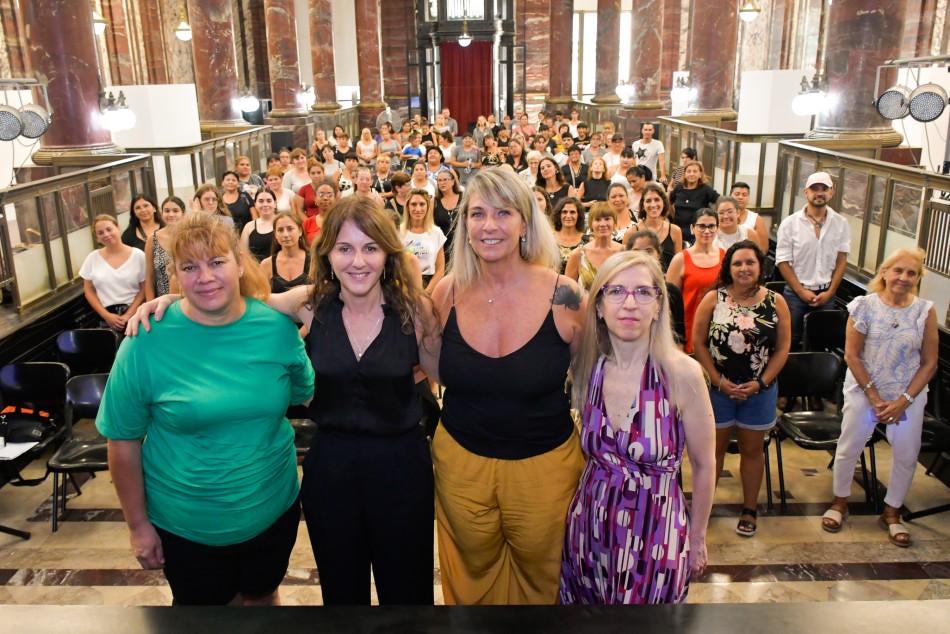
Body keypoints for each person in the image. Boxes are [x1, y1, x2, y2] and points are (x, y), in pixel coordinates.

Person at [101, 212, 314, 606]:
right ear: (176, 276)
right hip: (187, 525)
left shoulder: (276, 329)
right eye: (189, 267)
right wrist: (138, 525)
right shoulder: (145, 339)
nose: (205, 276)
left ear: (239, 262)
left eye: (216, 262)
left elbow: (305, 392)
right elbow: (122, 440)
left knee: (264, 596)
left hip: (272, 509)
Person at [430, 168, 586, 605]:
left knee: (545, 574)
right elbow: (428, 365)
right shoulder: (447, 293)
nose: (490, 225)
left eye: (503, 212)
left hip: (545, 467)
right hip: (461, 464)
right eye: (477, 213)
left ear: (524, 222)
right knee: (469, 572)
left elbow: (594, 379)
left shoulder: (566, 297)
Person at [559, 250, 715, 604]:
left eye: (643, 292)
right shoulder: (589, 370)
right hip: (589, 530)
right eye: (615, 292)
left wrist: (698, 538)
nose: (629, 303)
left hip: (656, 535)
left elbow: (705, 466)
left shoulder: (682, 374)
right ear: (598, 306)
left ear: (659, 305)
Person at [821, 248, 938, 547]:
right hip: (864, 389)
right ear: (884, 272)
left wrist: (904, 400)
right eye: (898, 270)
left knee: (907, 454)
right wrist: (874, 397)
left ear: (918, 278)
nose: (903, 277)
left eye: (911, 273)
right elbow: (852, 355)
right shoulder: (864, 306)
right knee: (849, 447)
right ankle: (839, 503)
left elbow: (929, 362)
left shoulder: (925, 310)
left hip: (907, 394)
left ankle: (892, 512)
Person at [693, 241, 791, 538]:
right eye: (737, 263)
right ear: (729, 268)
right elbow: (697, 343)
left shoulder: (775, 301)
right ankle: (703, 507)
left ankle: (749, 508)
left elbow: (784, 346)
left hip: (759, 392)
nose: (744, 268)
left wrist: (760, 383)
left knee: (751, 451)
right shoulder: (714, 298)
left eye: (750, 262)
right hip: (717, 390)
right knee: (713, 452)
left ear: (760, 266)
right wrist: (717, 380)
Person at [775, 171, 850, 349]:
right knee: (789, 341)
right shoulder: (790, 224)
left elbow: (841, 260)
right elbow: (783, 262)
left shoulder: (841, 223)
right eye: (814, 188)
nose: (819, 192)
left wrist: (831, 292)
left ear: (831, 193)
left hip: (826, 295)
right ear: (806, 192)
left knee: (821, 342)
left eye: (824, 188)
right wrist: (800, 291)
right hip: (795, 294)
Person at [666, 208, 724, 353]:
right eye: (701, 226)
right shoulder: (680, 259)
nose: (707, 231)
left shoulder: (726, 257)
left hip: (719, 325)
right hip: (688, 327)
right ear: (692, 228)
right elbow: (670, 302)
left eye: (711, 226)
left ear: (717, 229)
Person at [81, 214, 147, 335]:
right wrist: (106, 315)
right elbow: (89, 291)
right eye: (100, 232)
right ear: (96, 237)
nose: (106, 234)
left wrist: (128, 315)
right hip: (105, 318)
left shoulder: (138, 255)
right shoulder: (92, 258)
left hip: (135, 314)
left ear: (118, 228)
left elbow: (144, 288)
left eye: (109, 229)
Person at [626, 229, 685, 344]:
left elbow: (679, 341)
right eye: (636, 251)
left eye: (649, 251)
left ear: (658, 255)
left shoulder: (672, 292)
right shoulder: (621, 292)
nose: (642, 256)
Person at [565, 202, 623, 294]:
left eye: (607, 219)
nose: (603, 224)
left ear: (614, 222)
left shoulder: (625, 252)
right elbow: (567, 293)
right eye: (597, 219)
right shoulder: (578, 255)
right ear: (591, 224)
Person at [625, 183, 682, 271]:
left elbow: (678, 266)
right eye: (648, 201)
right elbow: (625, 265)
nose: (653, 205)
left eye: (657, 200)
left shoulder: (675, 231)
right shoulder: (631, 232)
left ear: (663, 202)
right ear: (643, 205)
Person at [402, 189, 447, 293]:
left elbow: (440, 269)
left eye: (422, 204)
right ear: (408, 206)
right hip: (404, 288)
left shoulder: (437, 233)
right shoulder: (398, 232)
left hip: (430, 287)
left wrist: (426, 293)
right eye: (413, 204)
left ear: (427, 206)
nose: (418, 209)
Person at [260, 212, 310, 299]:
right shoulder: (266, 265)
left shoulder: (314, 262)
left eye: (290, 229)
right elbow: (261, 299)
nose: (285, 235)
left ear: (300, 231)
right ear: (275, 234)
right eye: (280, 230)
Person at [145, 196, 186, 301]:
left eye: (175, 211)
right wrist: (150, 305)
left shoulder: (190, 237)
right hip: (162, 301)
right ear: (162, 214)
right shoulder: (152, 239)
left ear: (183, 213)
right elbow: (150, 277)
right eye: (167, 211)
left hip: (186, 297)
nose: (171, 214)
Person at [668, 161, 719, 244]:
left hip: (696, 232)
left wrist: (712, 216)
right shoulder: (679, 187)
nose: (691, 174)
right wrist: (673, 215)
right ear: (684, 174)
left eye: (695, 171)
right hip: (677, 228)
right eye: (688, 171)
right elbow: (669, 201)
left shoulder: (705, 189)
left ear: (700, 174)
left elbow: (720, 200)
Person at [550, 197, 588, 275]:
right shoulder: (549, 239)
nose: (568, 216)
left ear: (579, 215)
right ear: (559, 215)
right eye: (564, 212)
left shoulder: (587, 241)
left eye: (572, 212)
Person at [731, 181, 769, 254]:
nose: (740, 197)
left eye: (744, 195)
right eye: (737, 194)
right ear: (730, 195)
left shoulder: (756, 219)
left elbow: (763, 249)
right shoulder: (721, 216)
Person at [240, 188, 277, 262]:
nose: (265, 204)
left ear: (275, 204)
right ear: (255, 204)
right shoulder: (249, 226)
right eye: (261, 201)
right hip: (256, 270)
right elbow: (244, 254)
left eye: (269, 201)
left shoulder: (283, 223)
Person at [433, 169, 462, 259]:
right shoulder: (433, 202)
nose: (442, 183)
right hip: (442, 247)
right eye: (439, 180)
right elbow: (429, 225)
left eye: (445, 179)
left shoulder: (464, 198)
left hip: (462, 245)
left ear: (453, 181)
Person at [302, 178, 338, 246]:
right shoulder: (307, 223)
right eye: (321, 195)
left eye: (329, 195)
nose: (325, 198)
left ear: (335, 199)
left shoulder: (341, 221)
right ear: (315, 199)